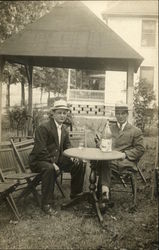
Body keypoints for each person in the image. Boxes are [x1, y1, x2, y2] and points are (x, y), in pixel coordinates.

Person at [29, 99, 85, 215]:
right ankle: (46, 204)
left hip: (56, 159)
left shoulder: (63, 129)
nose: (62, 115)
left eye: (64, 113)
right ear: (53, 113)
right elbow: (41, 149)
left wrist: (73, 156)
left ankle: (75, 195)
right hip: (39, 161)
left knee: (79, 163)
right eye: (59, 113)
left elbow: (67, 146)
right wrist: (53, 163)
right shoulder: (43, 128)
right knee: (49, 168)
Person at [95, 103, 145, 204]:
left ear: (127, 115)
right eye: (118, 113)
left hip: (125, 161)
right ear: (115, 114)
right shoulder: (109, 128)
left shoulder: (135, 131)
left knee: (101, 164)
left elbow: (140, 149)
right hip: (110, 160)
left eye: (123, 114)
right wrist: (99, 143)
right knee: (101, 162)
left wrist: (125, 154)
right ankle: (104, 193)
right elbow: (103, 143)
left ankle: (101, 192)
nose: (120, 116)